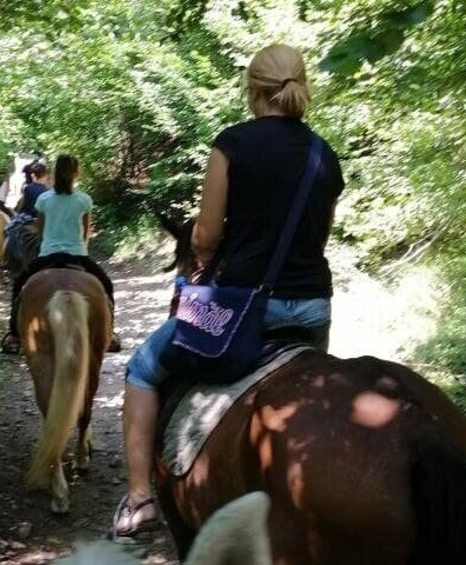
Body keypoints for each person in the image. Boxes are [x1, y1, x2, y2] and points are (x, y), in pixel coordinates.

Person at [111, 44, 346, 537]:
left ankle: (138, 500)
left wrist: (200, 255)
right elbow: (317, 238)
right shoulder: (325, 156)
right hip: (311, 310)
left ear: (253, 91)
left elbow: (206, 236)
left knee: (143, 368)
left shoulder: (232, 144)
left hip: (238, 307)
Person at [0, 154, 122, 354]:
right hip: (77, 255)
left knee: (19, 286)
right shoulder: (84, 199)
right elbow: (85, 233)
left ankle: (13, 335)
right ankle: (110, 333)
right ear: (76, 173)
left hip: (48, 255)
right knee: (106, 285)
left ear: (54, 173)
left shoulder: (44, 199)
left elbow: (39, 230)